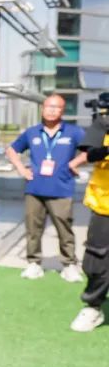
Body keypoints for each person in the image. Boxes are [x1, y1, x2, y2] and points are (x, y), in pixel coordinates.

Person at [5, 94, 85, 282]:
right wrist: (21, 168)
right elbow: (11, 150)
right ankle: (34, 263)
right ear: (42, 109)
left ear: (62, 111)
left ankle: (69, 265)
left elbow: (91, 150)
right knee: (33, 229)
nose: (51, 110)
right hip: (34, 189)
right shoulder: (32, 132)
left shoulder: (74, 132)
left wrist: (75, 163)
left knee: (64, 229)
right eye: (48, 106)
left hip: (61, 189)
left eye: (56, 107)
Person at [70, 91, 109, 331]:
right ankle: (93, 306)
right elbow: (91, 151)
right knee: (97, 259)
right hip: (105, 205)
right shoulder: (103, 123)